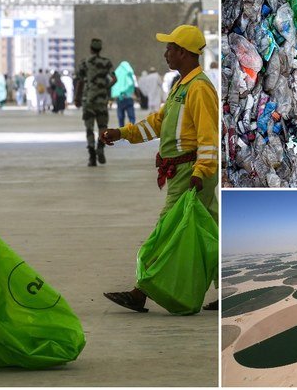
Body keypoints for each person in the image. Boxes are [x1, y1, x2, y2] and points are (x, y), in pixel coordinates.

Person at [101, 25, 218, 313]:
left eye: (170, 48)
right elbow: (157, 123)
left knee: (165, 231)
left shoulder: (200, 88)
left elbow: (209, 136)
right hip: (182, 171)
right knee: (213, 231)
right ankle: (229, 288)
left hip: (190, 173)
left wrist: (200, 172)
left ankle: (140, 292)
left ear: (183, 52)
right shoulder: (181, 86)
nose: (165, 53)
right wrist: (123, 133)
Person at [74, 38, 115, 167]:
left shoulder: (85, 62)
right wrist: (105, 87)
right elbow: (115, 78)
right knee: (103, 126)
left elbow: (80, 81)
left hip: (88, 100)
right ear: (100, 49)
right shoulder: (106, 62)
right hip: (102, 100)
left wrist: (77, 97)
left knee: (89, 128)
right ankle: (101, 147)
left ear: (91, 49)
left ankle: (92, 156)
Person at [111, 61, 137, 127]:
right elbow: (131, 83)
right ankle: (131, 129)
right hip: (128, 98)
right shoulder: (128, 72)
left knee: (121, 117)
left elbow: (114, 85)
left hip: (120, 98)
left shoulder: (117, 72)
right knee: (131, 117)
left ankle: (121, 131)